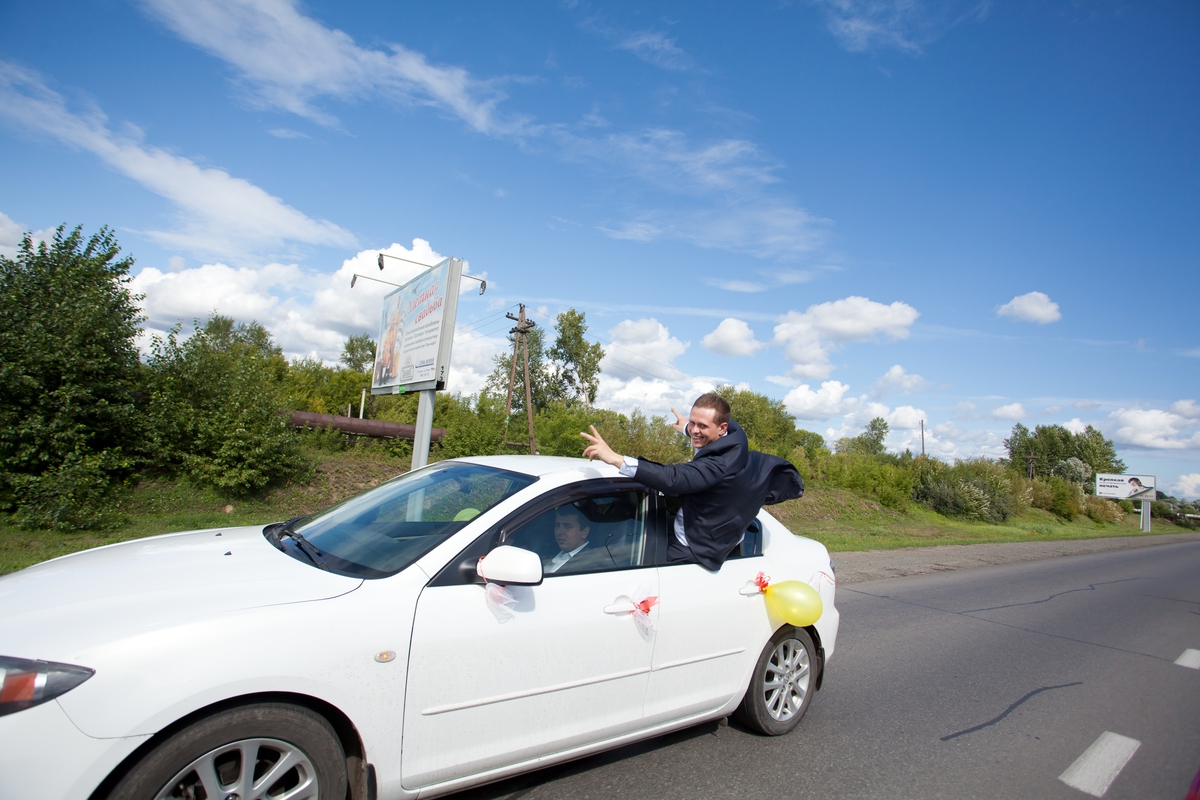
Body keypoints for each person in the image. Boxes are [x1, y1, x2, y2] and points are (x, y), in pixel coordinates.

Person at [581, 393, 802, 571]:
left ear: (722, 428)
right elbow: (704, 427)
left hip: (693, 547)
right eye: (693, 422)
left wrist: (616, 459)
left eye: (702, 427)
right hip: (697, 523)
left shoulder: (718, 465)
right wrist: (686, 427)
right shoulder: (735, 435)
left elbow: (673, 479)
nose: (696, 430)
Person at [543, 505, 612, 574]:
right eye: (557, 525)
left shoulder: (593, 563)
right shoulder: (549, 550)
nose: (559, 532)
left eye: (568, 526)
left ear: (585, 532)